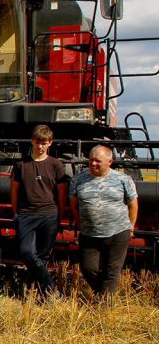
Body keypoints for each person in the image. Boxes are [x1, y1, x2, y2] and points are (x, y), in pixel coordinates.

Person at [69, 145, 138, 296]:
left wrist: (130, 227)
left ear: (110, 161)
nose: (93, 164)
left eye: (98, 161)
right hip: (89, 234)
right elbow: (73, 204)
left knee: (111, 271)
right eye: (91, 160)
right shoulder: (78, 179)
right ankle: (103, 293)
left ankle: (105, 307)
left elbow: (133, 204)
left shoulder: (123, 179)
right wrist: (79, 222)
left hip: (118, 232)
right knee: (88, 268)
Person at [10, 125, 68, 297]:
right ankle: (51, 289)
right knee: (26, 252)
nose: (40, 146)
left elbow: (62, 192)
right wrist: (16, 213)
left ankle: (34, 293)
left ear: (50, 143)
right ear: (32, 141)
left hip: (49, 214)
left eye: (44, 143)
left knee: (42, 257)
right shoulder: (21, 165)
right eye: (37, 142)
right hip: (26, 214)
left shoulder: (56, 165)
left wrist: (59, 214)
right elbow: (14, 190)